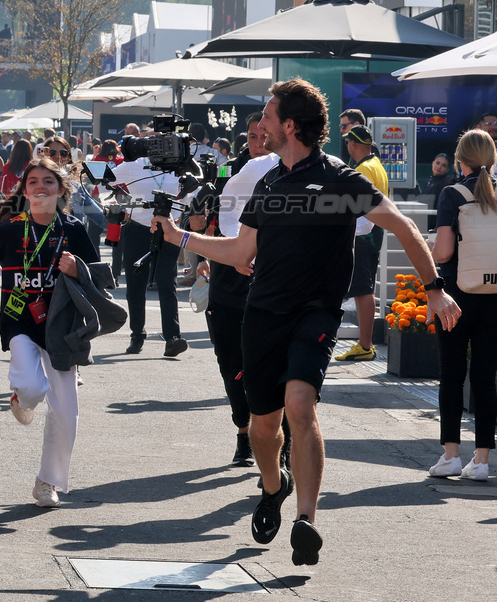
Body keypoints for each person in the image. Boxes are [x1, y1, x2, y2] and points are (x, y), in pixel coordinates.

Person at [150, 78, 460, 566]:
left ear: (289, 125)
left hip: (315, 313)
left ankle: (306, 521)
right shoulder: (267, 182)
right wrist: (181, 239)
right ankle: (275, 487)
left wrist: (434, 288)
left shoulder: (340, 179)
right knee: (261, 427)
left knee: (301, 403)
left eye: (268, 118)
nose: (261, 126)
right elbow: (238, 252)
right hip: (263, 315)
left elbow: (401, 224)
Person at [0, 157, 100, 508]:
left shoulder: (74, 229)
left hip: (60, 326)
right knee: (32, 387)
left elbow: (99, 277)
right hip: (19, 320)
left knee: (65, 411)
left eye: (48, 181)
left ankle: (48, 482)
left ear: (61, 189)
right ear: (25, 190)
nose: (40, 187)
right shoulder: (10, 228)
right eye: (33, 181)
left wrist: (78, 268)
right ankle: (22, 398)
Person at [427, 129, 497, 481]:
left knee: (452, 374)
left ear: (460, 159)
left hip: (458, 298)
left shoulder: (452, 194)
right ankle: (482, 461)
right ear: (492, 159)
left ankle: (450, 456)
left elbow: (444, 251)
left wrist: (428, 255)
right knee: (485, 376)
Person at [195, 110, 276, 467]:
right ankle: (243, 430)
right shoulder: (228, 172)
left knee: (274, 367)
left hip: (272, 287)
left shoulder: (288, 173)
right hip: (228, 284)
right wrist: (200, 248)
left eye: (265, 135)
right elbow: (200, 215)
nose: (259, 143)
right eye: (253, 137)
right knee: (230, 363)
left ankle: (278, 444)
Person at [111, 145, 190, 357]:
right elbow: (104, 182)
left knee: (167, 281)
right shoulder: (133, 165)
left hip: (168, 230)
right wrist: (123, 202)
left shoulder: (178, 165)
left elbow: (194, 190)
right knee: (136, 285)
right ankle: (137, 335)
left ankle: (172, 337)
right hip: (137, 229)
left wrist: (184, 207)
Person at [335, 124, 391, 362]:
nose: (347, 146)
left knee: (363, 290)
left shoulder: (364, 169)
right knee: (362, 289)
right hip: (372, 232)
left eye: (348, 142)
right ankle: (365, 344)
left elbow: (357, 208)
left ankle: (365, 345)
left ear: (353, 144)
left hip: (363, 234)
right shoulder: (376, 164)